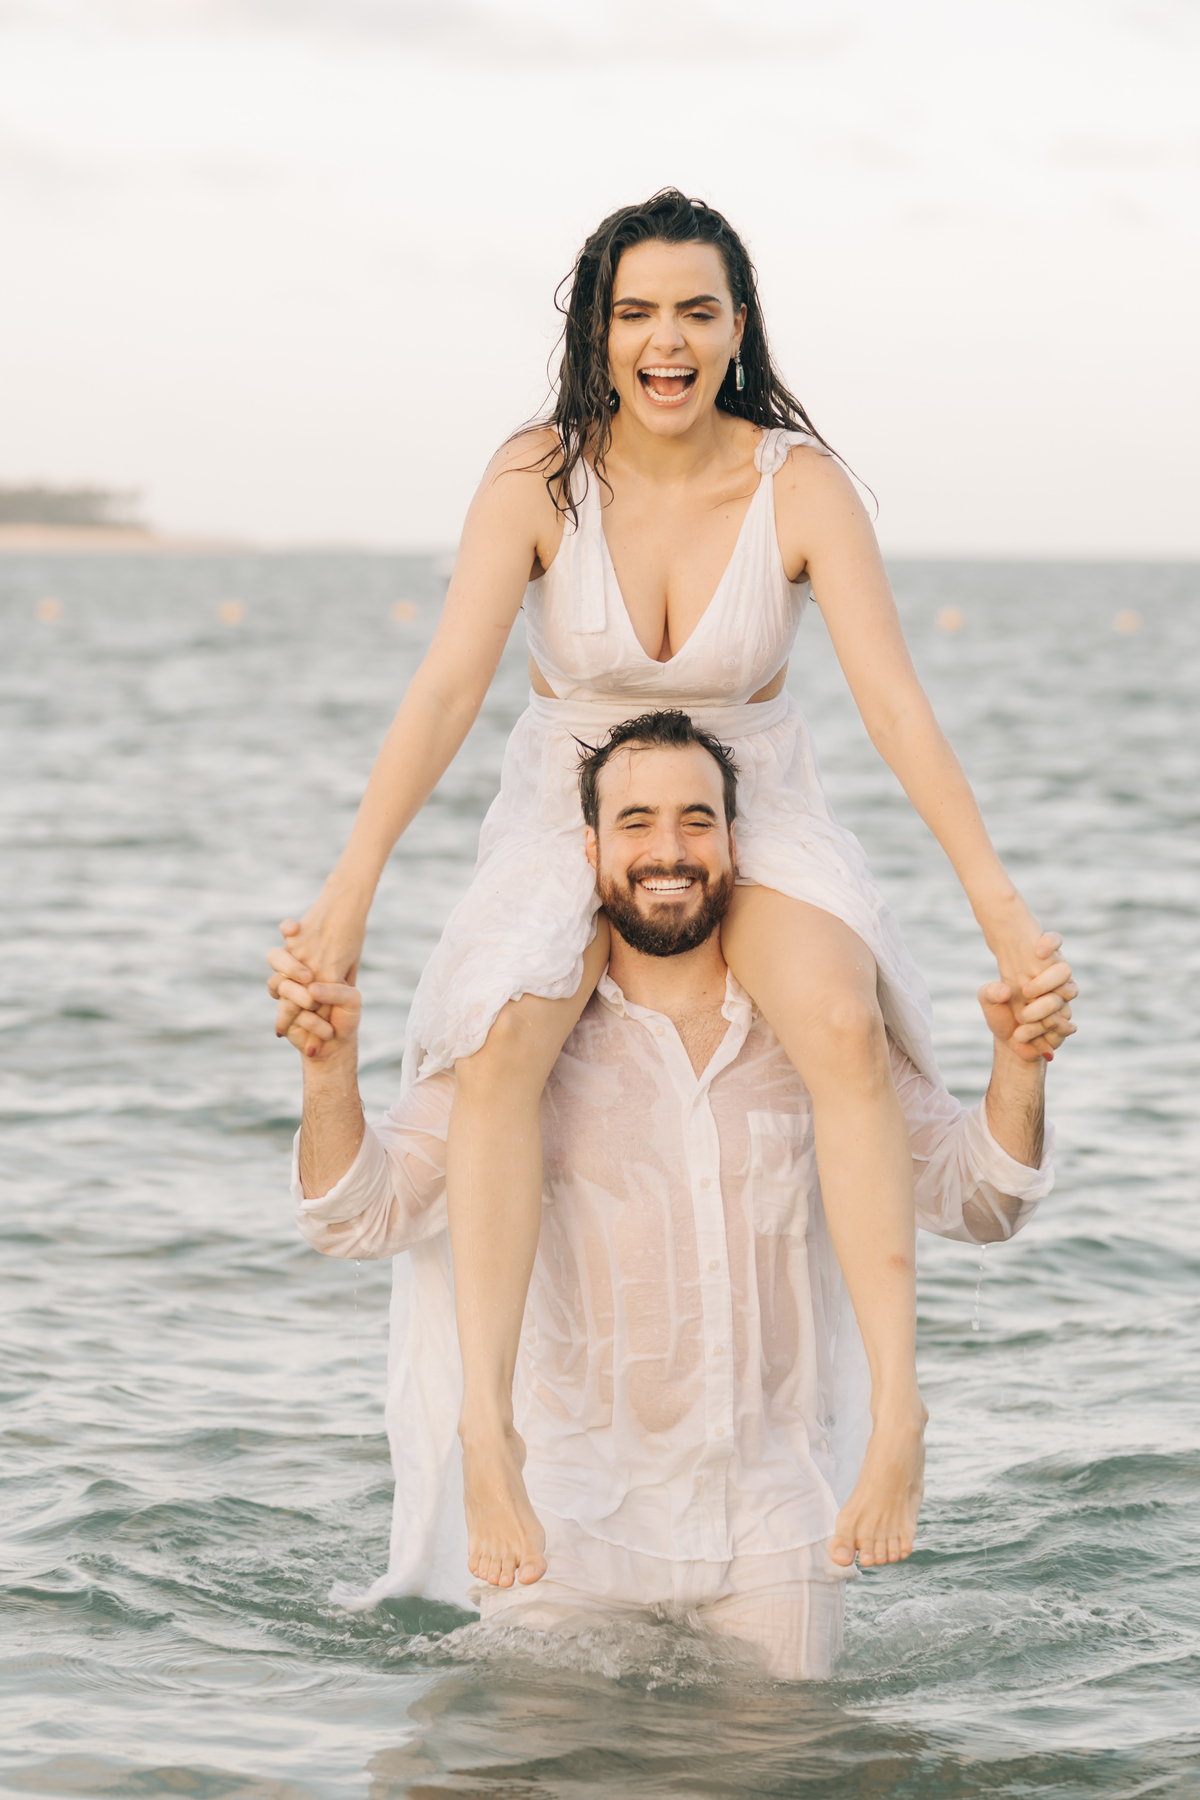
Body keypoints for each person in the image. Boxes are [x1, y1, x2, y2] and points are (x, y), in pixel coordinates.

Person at [269, 189, 1076, 1591]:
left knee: (833, 1019)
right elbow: (451, 685)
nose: (667, 340)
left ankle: (898, 1409)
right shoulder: (537, 475)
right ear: (596, 328)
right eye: (637, 311)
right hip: (568, 797)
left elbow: (892, 701)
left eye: (698, 311)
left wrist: (997, 907)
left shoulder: (798, 485)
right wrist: (350, 892)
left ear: (738, 327)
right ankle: (493, 1432)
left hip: (742, 799)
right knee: (518, 1020)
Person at [271, 713, 1070, 1679]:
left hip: (776, 1523)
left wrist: (1018, 1063)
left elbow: (981, 1205)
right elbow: (356, 1217)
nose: (669, 851)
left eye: (698, 821)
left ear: (735, 845)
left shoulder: (822, 1051)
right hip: (559, 1525)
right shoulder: (516, 1062)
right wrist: (328, 1068)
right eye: (637, 821)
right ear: (591, 849)